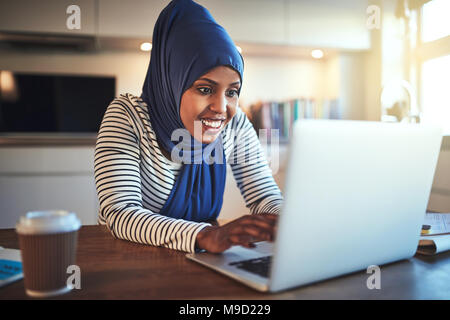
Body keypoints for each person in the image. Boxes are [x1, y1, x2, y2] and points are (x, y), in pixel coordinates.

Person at [94, 0, 283, 254]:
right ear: (173, 80)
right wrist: (204, 234)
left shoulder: (234, 125)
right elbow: (120, 213)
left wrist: (288, 222)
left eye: (232, 92)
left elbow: (264, 196)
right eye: (205, 89)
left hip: (201, 262)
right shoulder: (128, 117)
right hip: (131, 263)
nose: (221, 107)